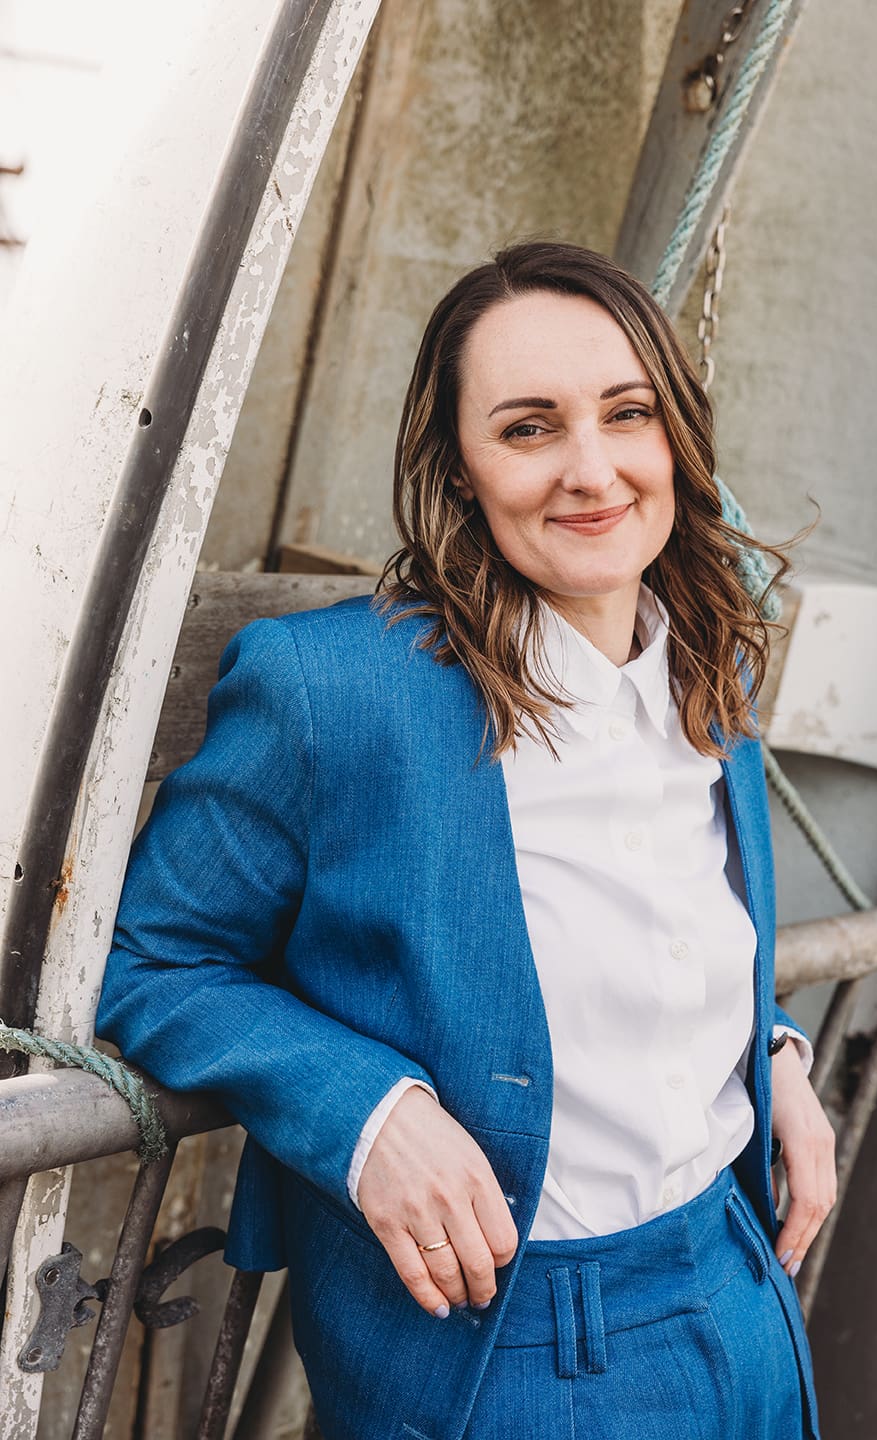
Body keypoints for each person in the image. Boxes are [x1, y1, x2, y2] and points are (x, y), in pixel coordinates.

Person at [97, 240, 836, 1440]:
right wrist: (367, 1113)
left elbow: (663, 933)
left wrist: (775, 1051)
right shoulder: (335, 693)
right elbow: (151, 964)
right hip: (517, 1348)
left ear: (675, 436)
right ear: (461, 469)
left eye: (627, 414)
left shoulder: (707, 657)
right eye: (530, 427)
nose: (592, 471)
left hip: (742, 1288)